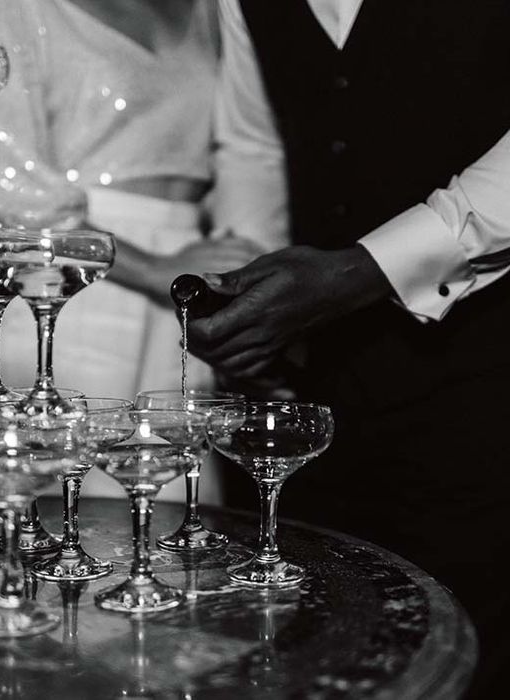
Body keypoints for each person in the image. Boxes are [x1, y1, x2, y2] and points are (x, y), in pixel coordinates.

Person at [186, 1, 510, 697]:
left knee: (471, 643)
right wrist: (252, 298)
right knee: (319, 638)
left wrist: (366, 268)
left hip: (487, 369)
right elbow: (254, 142)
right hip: (318, 383)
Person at [0, 0, 259, 500]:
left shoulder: (210, 6)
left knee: (183, 510)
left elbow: (248, 146)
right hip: (72, 280)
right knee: (64, 513)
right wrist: (155, 269)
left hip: (188, 287)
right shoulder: (14, 6)